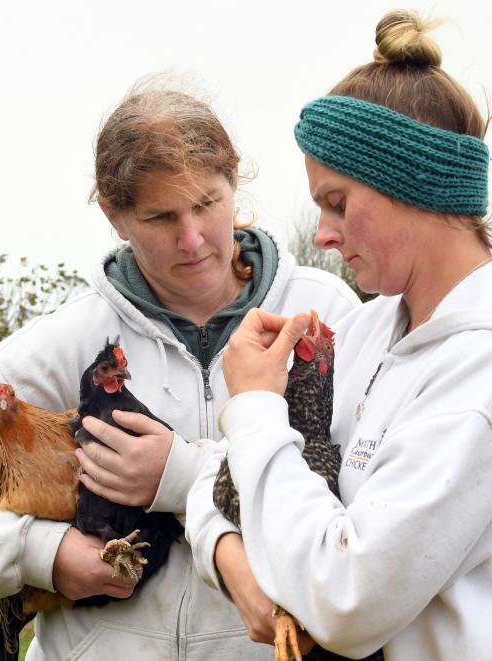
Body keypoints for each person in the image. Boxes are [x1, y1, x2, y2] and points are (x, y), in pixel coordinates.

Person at [0, 78, 360, 660]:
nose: (191, 239)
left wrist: (180, 474)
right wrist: (45, 554)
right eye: (160, 217)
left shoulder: (324, 313)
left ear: (234, 179)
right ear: (115, 215)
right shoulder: (63, 341)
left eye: (207, 205)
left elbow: (380, 500)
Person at [186, 9, 492, 661]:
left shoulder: (479, 373)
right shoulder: (362, 330)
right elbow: (212, 473)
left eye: (337, 202)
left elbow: (348, 597)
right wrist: (231, 557)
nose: (322, 234)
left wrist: (256, 408)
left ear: (410, 184)